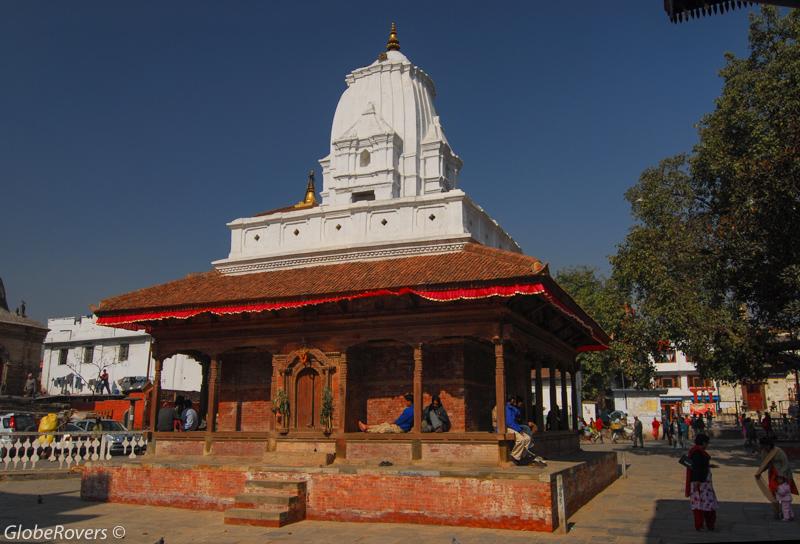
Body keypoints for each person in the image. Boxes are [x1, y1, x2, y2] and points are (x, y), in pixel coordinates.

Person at [755, 437, 798, 519]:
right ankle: (777, 510)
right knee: (773, 492)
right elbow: (765, 464)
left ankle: (786, 511)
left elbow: (785, 463)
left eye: (765, 445)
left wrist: (781, 475)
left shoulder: (778, 451)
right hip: (772, 474)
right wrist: (760, 472)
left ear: (769, 445)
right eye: (762, 445)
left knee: (783, 492)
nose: (764, 447)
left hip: (781, 474)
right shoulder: (764, 452)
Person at [686, 433, 718, 531]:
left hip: (702, 482)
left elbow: (699, 465)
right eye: (707, 443)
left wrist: (708, 466)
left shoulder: (697, 451)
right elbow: (696, 468)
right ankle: (703, 524)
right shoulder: (697, 453)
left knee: (702, 504)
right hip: (701, 483)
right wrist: (697, 480)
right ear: (703, 443)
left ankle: (704, 524)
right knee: (704, 504)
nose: (707, 445)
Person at [504, 396, 532, 465]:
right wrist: (519, 430)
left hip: (514, 426)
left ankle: (521, 456)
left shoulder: (513, 408)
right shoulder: (507, 408)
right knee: (521, 439)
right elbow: (509, 422)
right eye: (513, 400)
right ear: (511, 400)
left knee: (527, 438)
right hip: (507, 427)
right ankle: (514, 457)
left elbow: (518, 415)